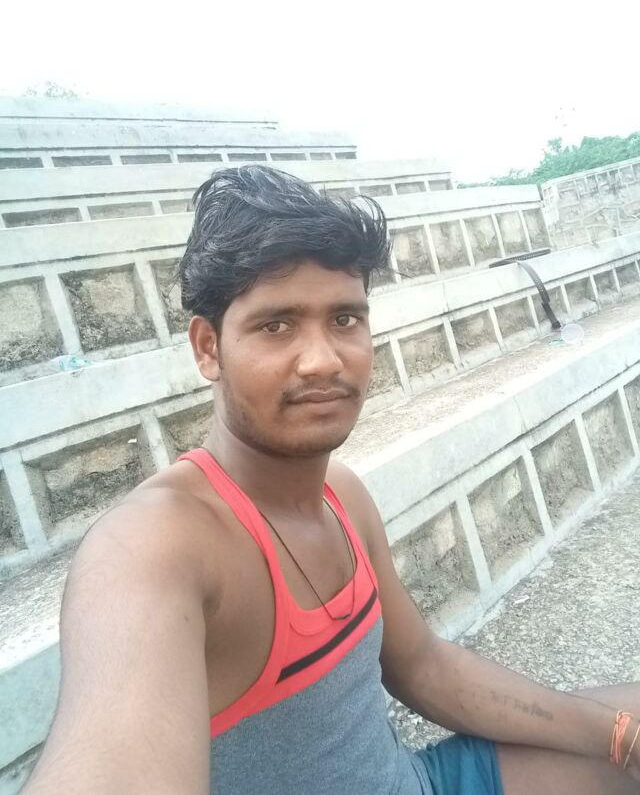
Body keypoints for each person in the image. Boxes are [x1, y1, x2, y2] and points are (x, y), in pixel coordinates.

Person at [23, 166, 639, 795]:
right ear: (208, 348)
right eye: (276, 325)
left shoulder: (342, 495)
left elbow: (422, 664)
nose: (322, 360)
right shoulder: (151, 547)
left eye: (345, 319)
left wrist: (616, 736)